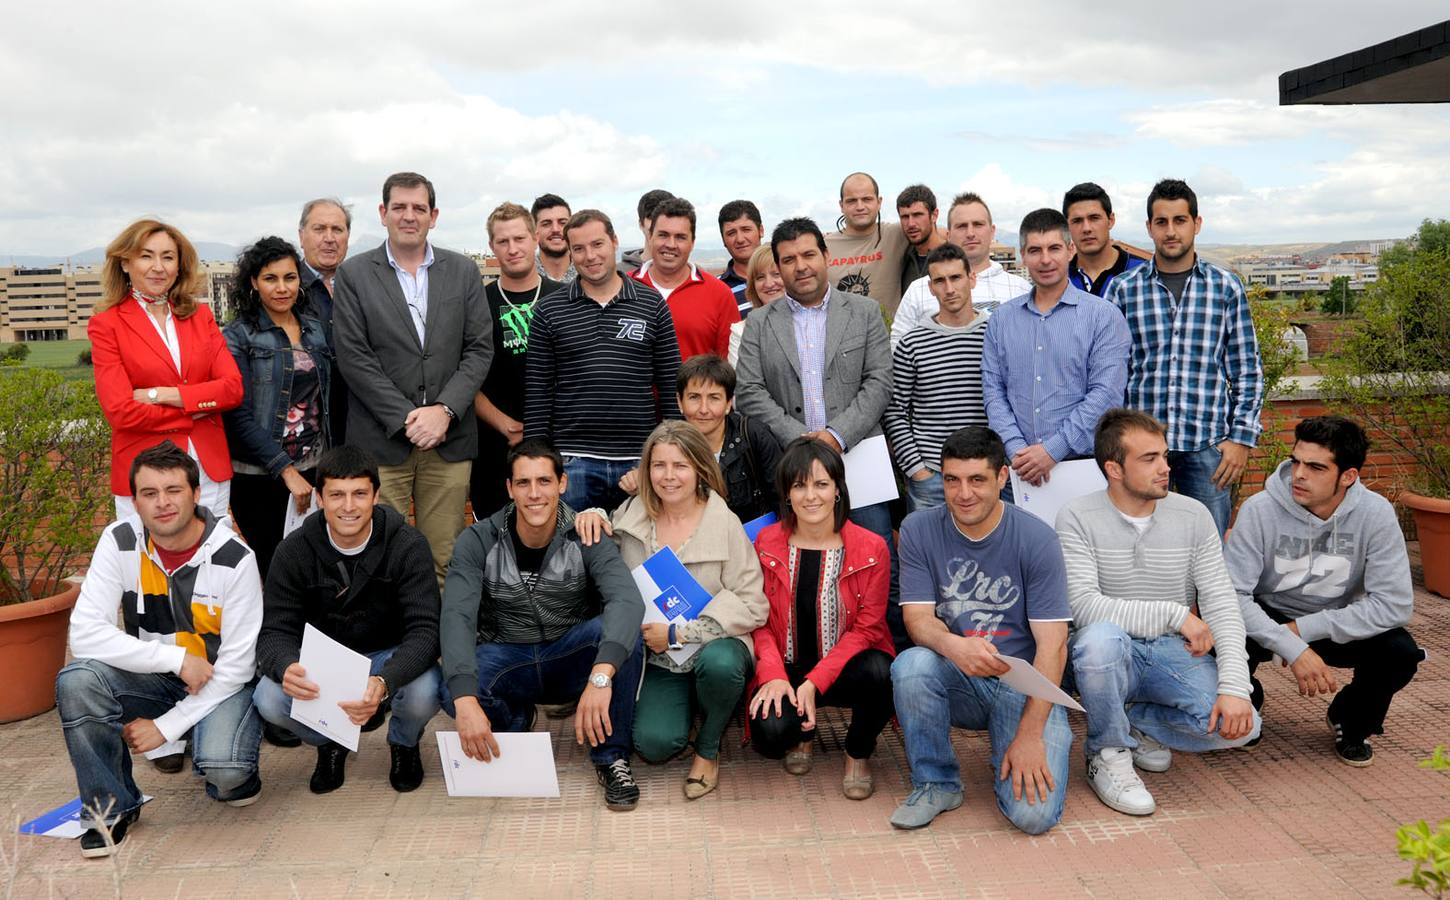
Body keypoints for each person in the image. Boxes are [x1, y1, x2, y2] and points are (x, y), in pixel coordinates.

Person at [56, 442, 263, 858]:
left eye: (173, 490)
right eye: (149, 493)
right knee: (78, 682)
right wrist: (175, 660)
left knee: (225, 773)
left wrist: (166, 728)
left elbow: (238, 668)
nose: (162, 503)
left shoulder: (235, 557)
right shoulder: (119, 540)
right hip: (152, 677)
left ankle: (234, 769)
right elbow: (84, 634)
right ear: (134, 501)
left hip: (220, 682)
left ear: (196, 493)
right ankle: (109, 809)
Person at [1058, 409, 1258, 818]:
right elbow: (1083, 606)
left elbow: (1221, 602)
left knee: (1245, 726)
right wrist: (1174, 614)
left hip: (1169, 654)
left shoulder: (1193, 515)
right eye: (1149, 459)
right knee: (1099, 638)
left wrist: (1236, 688)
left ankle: (1136, 722)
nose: (1165, 468)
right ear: (1114, 468)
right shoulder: (1077, 516)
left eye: (1164, 456)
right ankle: (1107, 751)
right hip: (1110, 653)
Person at [440, 438, 646, 811]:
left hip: (569, 652)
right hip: (509, 656)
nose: (534, 494)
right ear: (509, 488)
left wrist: (601, 677)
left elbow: (627, 600)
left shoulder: (587, 533)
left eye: (544, 482)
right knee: (453, 687)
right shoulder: (477, 539)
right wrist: (466, 700)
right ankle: (516, 721)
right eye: (523, 483)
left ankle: (612, 758)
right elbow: (456, 615)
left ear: (562, 484)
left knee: (621, 635)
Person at [889, 427, 1073, 834]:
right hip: (960, 676)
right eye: (952, 480)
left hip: (1023, 683)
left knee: (1032, 817)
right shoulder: (919, 529)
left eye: (977, 480)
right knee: (911, 666)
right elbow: (917, 620)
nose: (963, 493)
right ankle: (936, 783)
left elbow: (1053, 646)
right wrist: (955, 646)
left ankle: (1025, 739)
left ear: (1002, 477)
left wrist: (1028, 735)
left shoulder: (1037, 538)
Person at [577, 422, 768, 799]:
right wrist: (593, 513)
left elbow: (753, 604)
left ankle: (709, 747)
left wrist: (683, 634)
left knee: (721, 667)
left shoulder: (725, 522)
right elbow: (600, 532)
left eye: (680, 465)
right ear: (646, 470)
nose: (668, 476)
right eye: (658, 465)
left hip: (714, 648)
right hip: (659, 661)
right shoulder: (631, 517)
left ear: (699, 468)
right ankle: (694, 709)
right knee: (654, 744)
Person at [735, 217, 901, 646]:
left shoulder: (864, 312)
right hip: (789, 467)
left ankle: (883, 660)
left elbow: (880, 381)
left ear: (827, 257)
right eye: (788, 260)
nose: (800, 266)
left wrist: (834, 437)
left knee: (874, 561)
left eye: (808, 255)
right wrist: (800, 442)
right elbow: (750, 391)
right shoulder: (760, 322)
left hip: (857, 459)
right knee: (794, 570)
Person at [1225, 416, 1421, 767]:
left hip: (1334, 618)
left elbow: (1394, 605)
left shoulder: (1375, 515)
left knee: (1400, 653)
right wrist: (1289, 645)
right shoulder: (1259, 510)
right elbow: (1233, 595)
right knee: (1211, 635)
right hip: (1267, 614)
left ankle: (1351, 718)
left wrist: (1302, 632)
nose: (1299, 474)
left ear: (1347, 476)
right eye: (1296, 461)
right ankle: (1246, 700)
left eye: (1316, 467)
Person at [332, 171, 493, 585]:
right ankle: (388, 648)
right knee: (377, 558)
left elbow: (479, 349)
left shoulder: (462, 271)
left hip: (449, 439)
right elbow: (354, 356)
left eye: (418, 208)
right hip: (381, 441)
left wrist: (445, 411)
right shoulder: (354, 275)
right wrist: (407, 418)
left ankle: (442, 648)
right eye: (399, 207)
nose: (409, 216)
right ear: (383, 213)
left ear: (433, 216)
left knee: (446, 557)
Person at [252, 445, 441, 794]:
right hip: (324, 665)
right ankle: (329, 741)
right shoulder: (293, 551)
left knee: (426, 690)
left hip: (388, 654)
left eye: (359, 494)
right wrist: (286, 665)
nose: (349, 506)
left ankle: (404, 743)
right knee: (269, 698)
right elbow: (276, 629)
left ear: (376, 496)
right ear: (320, 498)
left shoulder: (407, 544)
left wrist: (386, 680)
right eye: (337, 495)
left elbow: (427, 631)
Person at [1105, 178, 1263, 536]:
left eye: (1180, 220)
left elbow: (1246, 369)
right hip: (1140, 448)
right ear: (1149, 228)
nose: (1171, 231)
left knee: (1207, 554)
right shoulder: (1123, 290)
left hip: (1207, 448)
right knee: (1137, 546)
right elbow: (1111, 372)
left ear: (1196, 223)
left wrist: (1240, 439)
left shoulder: (1225, 287)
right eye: (1161, 222)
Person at [748, 438, 895, 799]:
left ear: (838, 491)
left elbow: (868, 628)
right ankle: (802, 734)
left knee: (882, 671)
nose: (810, 496)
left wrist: (815, 682)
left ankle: (857, 751)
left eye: (821, 484)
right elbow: (759, 621)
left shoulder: (871, 547)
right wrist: (774, 677)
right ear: (786, 494)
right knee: (770, 735)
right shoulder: (766, 541)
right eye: (799, 485)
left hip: (845, 669)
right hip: (788, 666)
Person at [524, 209, 681, 513]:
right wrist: (540, 465)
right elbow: (538, 392)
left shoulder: (651, 305)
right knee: (572, 556)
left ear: (614, 242)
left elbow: (670, 385)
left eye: (597, 245)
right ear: (570, 252)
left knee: (640, 554)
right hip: (572, 463)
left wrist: (665, 459)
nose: (589, 256)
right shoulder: (549, 311)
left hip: (639, 462)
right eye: (579, 249)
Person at [89, 219, 243, 519]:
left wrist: (165, 395)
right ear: (125, 263)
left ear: (179, 265)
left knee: (211, 560)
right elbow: (120, 410)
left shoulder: (200, 315)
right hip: (144, 474)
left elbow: (232, 389)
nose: (158, 267)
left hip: (207, 472)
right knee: (148, 562)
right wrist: (195, 410)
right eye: (146, 256)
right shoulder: (107, 324)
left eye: (168, 257)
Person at [980, 208, 1131, 495]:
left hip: (1085, 470)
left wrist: (1052, 450)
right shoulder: (1001, 321)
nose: (1045, 259)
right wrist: (1018, 452)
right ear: (1023, 255)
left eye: (1054, 248)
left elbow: (1105, 395)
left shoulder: (1103, 317)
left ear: (1070, 250)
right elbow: (993, 391)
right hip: (1017, 472)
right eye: (1035, 250)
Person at [222, 236, 331, 579]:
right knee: (274, 572)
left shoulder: (315, 330)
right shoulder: (238, 336)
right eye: (270, 278)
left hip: (313, 469)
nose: (281, 288)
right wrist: (286, 471)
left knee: (313, 572)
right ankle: (275, 635)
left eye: (289, 277)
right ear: (254, 282)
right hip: (259, 477)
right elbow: (236, 413)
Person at [884, 243, 991, 512]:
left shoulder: (996, 334)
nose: (949, 288)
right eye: (940, 281)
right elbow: (895, 410)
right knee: (928, 553)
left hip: (987, 472)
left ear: (972, 278)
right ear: (930, 287)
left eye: (956, 277)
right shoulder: (912, 343)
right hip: (932, 476)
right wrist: (917, 469)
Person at [615, 355, 784, 524]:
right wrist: (639, 483)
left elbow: (783, 499)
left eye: (714, 398)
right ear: (679, 402)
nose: (703, 409)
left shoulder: (753, 436)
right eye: (694, 397)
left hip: (750, 543)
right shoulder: (665, 442)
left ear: (728, 404)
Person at [472, 202, 562, 517]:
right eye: (503, 241)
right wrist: (505, 426)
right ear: (492, 247)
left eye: (519, 239)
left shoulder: (564, 298)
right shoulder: (478, 303)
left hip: (555, 443)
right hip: (494, 448)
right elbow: (464, 377)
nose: (512, 249)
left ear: (535, 238)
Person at [891, 193, 1032, 346]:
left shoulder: (1020, 289)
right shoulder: (918, 290)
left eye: (978, 224)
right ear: (949, 235)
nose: (970, 233)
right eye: (962, 226)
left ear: (992, 231)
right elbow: (898, 346)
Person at [630, 197, 739, 360]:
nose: (671, 244)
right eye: (663, 235)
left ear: (692, 243)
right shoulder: (622, 287)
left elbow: (728, 366)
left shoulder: (720, 294)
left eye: (680, 237)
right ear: (650, 237)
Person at [297, 198, 351, 444]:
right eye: (319, 229)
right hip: (302, 429)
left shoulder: (363, 285)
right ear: (301, 236)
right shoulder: (285, 288)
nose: (329, 238)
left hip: (355, 425)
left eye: (337, 229)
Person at [825, 171, 909, 315]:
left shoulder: (898, 234)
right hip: (841, 335)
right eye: (851, 201)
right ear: (841, 205)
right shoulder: (823, 246)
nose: (860, 206)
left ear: (879, 202)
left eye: (867, 199)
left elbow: (934, 233)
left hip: (887, 335)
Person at [1062, 183, 1146, 297]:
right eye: (1077, 221)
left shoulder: (1143, 273)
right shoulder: (1058, 279)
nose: (1086, 228)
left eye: (1094, 218)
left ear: (1110, 220)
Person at [727, 244, 786, 367]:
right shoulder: (741, 331)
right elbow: (743, 383)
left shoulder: (813, 319)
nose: (769, 284)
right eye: (760, 277)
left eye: (776, 274)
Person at [717, 199, 764, 317]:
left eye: (746, 230)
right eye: (731, 233)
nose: (740, 239)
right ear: (723, 240)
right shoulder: (715, 290)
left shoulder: (786, 276)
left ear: (761, 231)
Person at [897, 184, 946, 295]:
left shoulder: (954, 258)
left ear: (934, 215)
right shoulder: (902, 258)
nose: (910, 224)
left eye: (917, 215)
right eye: (905, 217)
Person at [622, 188, 675, 272]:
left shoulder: (694, 275)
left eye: (667, 217)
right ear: (641, 224)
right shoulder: (617, 275)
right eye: (652, 217)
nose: (659, 225)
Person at [531, 193, 577, 283]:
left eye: (562, 223)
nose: (555, 229)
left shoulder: (588, 274)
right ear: (534, 230)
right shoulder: (523, 277)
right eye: (546, 224)